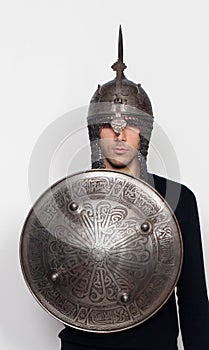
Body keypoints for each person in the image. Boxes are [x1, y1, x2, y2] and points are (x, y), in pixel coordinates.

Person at [59, 27, 209, 350]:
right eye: (108, 125)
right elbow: (60, 282)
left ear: (143, 134)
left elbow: (194, 300)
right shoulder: (71, 200)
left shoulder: (179, 201)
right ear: (96, 133)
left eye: (130, 125)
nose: (119, 134)